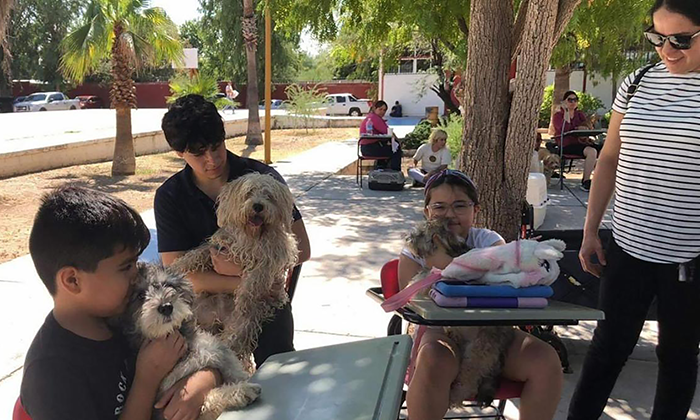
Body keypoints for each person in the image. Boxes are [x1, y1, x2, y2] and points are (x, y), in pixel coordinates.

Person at [569, 1, 700, 419]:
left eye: (681, 39)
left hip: (690, 258)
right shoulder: (638, 81)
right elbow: (609, 158)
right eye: (657, 37)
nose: (668, 50)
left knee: (678, 357)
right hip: (627, 244)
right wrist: (592, 230)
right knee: (607, 349)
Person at [20, 186, 221, 419]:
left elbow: (202, 353)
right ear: (72, 280)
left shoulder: (122, 318)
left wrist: (206, 378)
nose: (138, 274)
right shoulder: (52, 375)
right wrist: (146, 380)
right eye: (126, 267)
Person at [155, 94, 311, 368]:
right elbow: (177, 273)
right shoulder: (170, 196)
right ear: (180, 153)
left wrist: (251, 277)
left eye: (216, 146)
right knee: (199, 372)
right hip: (203, 301)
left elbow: (303, 249)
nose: (212, 159)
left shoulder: (263, 178)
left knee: (279, 368)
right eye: (198, 152)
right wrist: (240, 278)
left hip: (263, 299)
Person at [398, 169, 563, 420]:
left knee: (545, 359)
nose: (450, 215)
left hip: (491, 332)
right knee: (434, 358)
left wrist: (449, 264)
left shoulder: (489, 242)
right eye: (439, 207)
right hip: (438, 333)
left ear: (476, 210)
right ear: (427, 211)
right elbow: (410, 304)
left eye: (460, 205)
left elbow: (507, 287)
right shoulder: (416, 246)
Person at [552, 90, 599, 191]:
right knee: (592, 151)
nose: (573, 102)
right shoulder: (558, 116)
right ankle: (586, 181)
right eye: (570, 100)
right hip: (566, 145)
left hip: (581, 143)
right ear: (564, 102)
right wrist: (567, 113)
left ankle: (601, 180)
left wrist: (585, 130)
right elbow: (565, 129)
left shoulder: (580, 114)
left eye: (575, 100)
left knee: (605, 150)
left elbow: (586, 126)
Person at [359, 100, 402, 171]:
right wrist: (398, 141)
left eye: (384, 110)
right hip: (370, 148)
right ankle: (395, 172)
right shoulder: (375, 118)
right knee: (396, 150)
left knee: (389, 148)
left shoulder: (370, 117)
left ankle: (381, 168)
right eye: (380, 109)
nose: (382, 112)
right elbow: (388, 132)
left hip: (366, 148)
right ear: (374, 109)